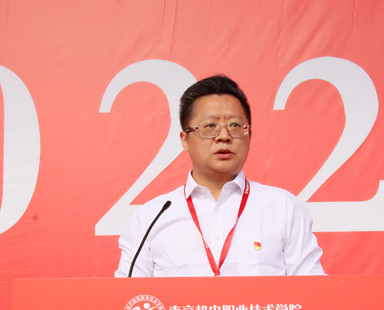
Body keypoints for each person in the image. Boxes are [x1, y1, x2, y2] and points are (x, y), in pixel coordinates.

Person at [116, 75, 324, 278]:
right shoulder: (152, 216)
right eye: (210, 126)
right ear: (185, 139)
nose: (224, 136)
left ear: (249, 136)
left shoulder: (284, 208)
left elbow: (313, 291)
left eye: (235, 126)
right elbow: (126, 295)